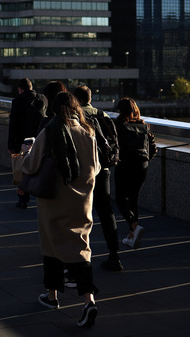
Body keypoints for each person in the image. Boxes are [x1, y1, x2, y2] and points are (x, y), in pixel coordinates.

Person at [21, 92, 100, 328]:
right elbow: (95, 168)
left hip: (53, 200)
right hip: (82, 201)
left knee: (52, 246)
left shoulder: (50, 131)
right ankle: (89, 301)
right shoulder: (88, 133)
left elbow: (32, 164)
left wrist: (26, 154)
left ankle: (52, 296)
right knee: (81, 249)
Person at [73, 85, 121, 271]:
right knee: (106, 211)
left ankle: (80, 255)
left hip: (83, 171)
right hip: (103, 170)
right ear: (90, 98)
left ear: (76, 99)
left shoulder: (75, 117)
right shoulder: (103, 115)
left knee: (80, 213)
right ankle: (114, 254)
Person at [114, 97, 156, 249]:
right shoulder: (143, 125)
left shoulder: (118, 124)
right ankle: (132, 235)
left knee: (120, 198)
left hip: (125, 164)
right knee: (133, 199)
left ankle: (133, 226)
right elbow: (153, 148)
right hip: (142, 165)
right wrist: (145, 160)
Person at [9, 78, 47, 209]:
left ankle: (23, 198)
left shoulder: (17, 101)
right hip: (39, 139)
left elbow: (13, 125)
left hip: (22, 141)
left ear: (20, 89)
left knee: (22, 169)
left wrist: (11, 146)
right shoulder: (42, 99)